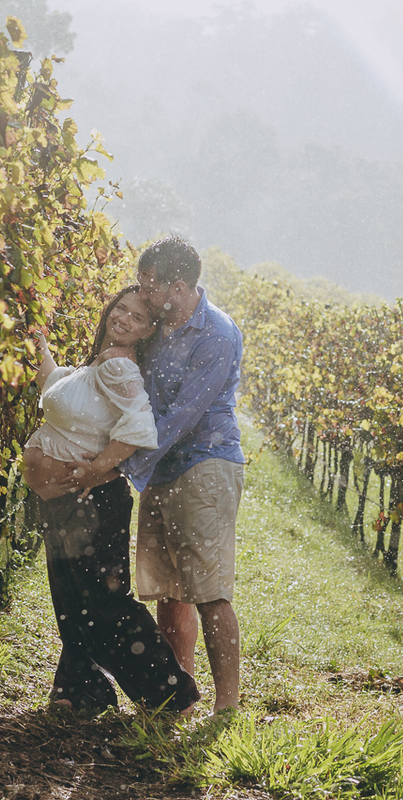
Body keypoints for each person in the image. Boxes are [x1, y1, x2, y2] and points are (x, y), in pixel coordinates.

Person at [23, 285, 199, 715]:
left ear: (146, 331)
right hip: (69, 501)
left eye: (137, 317)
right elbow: (55, 384)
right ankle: (83, 690)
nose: (123, 318)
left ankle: (170, 692)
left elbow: (141, 427)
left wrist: (98, 467)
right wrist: (37, 344)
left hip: (94, 502)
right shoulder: (99, 363)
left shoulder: (119, 365)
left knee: (103, 602)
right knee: (73, 602)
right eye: (120, 308)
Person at [125, 236, 245, 714]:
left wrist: (123, 466)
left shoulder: (216, 333)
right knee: (170, 588)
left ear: (177, 287)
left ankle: (227, 707)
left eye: (149, 284)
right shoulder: (156, 326)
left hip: (204, 463)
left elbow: (183, 416)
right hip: (163, 465)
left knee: (208, 590)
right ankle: (180, 694)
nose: (142, 291)